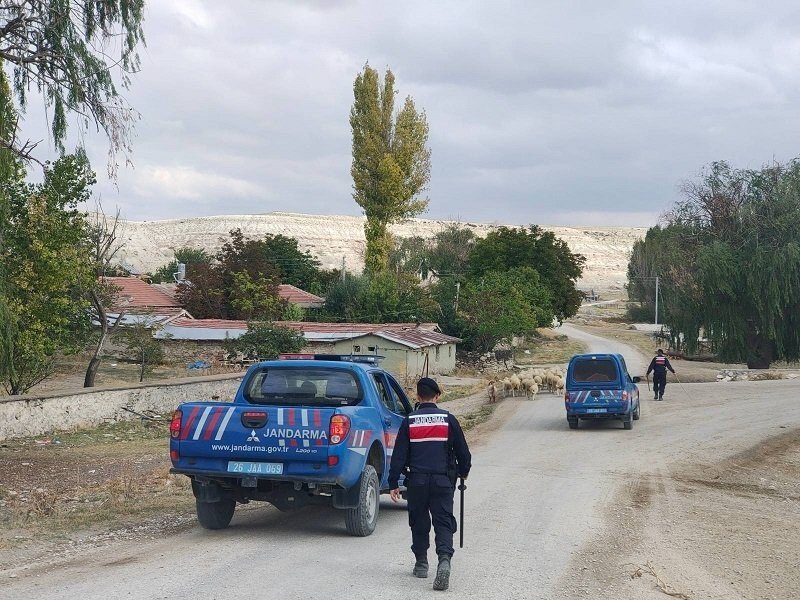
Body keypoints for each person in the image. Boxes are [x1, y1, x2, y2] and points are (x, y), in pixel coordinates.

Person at [389, 377, 471, 592]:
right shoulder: (448, 420)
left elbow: (398, 455)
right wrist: (464, 472)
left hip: (416, 480)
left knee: (419, 520)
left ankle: (421, 563)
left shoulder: (410, 421)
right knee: (443, 521)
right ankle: (444, 559)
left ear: (417, 396)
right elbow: (463, 452)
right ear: (437, 396)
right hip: (443, 481)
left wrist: (393, 482)